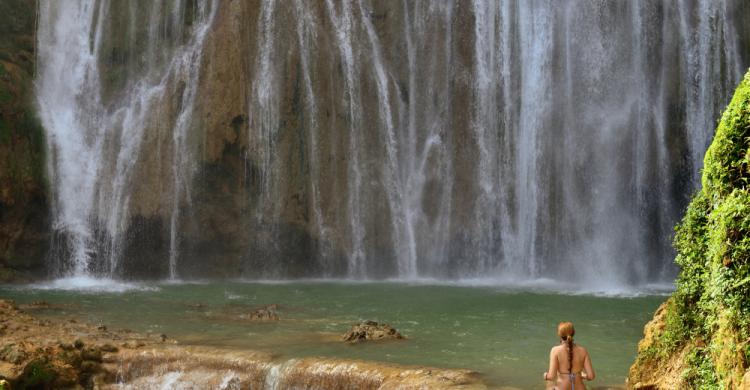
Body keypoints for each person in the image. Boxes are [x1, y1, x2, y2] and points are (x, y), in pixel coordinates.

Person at [543, 322, 595, 390]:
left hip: (562, 387)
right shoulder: (583, 350)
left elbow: (552, 376)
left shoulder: (555, 350)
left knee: (549, 384)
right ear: (573, 333)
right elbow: (591, 376)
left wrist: (545, 376)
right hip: (580, 388)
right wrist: (583, 376)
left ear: (560, 335)